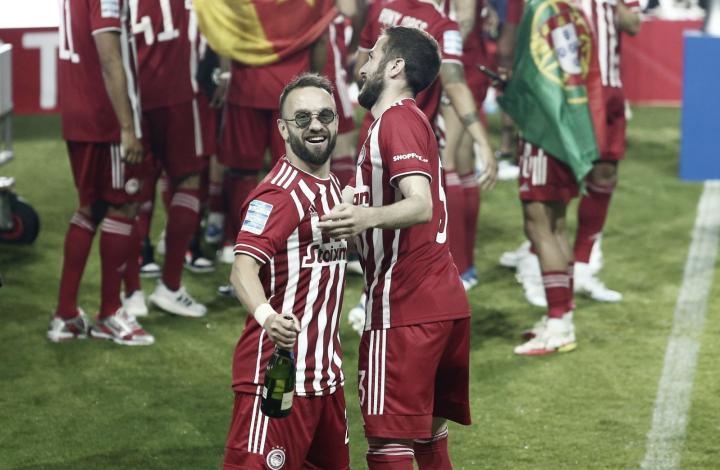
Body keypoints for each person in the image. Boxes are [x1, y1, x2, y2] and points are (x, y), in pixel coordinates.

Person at [319, 26, 471, 469]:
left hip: (405, 307)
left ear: (395, 67)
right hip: (442, 302)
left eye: (372, 56)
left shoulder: (396, 120)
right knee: (428, 437)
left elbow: (420, 204)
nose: (362, 66)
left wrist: (363, 218)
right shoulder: (401, 121)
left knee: (388, 443)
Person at [223, 74, 350, 470]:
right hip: (277, 378)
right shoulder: (279, 195)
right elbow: (242, 269)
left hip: (326, 379)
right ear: (282, 128)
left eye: (324, 116)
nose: (315, 126)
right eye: (302, 118)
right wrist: (268, 317)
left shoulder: (331, 186)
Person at [47, 0, 153, 346]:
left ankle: (65, 315)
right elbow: (109, 57)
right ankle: (109, 312)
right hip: (104, 117)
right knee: (123, 205)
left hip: (78, 114)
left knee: (90, 207)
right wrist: (127, 127)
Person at [120, 0, 208, 318]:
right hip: (177, 95)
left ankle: (131, 293)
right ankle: (170, 286)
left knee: (130, 194)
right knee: (188, 180)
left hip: (132, 100)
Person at [571, 0, 641, 301]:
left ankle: (582, 267)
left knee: (605, 173)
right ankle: (537, 259)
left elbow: (633, 25)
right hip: (569, 89)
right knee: (557, 181)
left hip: (609, 90)